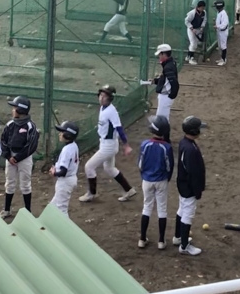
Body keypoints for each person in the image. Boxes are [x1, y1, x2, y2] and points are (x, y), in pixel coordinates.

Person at [79, 85, 136, 203]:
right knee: (109, 168)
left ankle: (91, 194)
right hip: (106, 143)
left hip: (108, 146)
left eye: (104, 96)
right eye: (100, 95)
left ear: (110, 98)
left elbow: (119, 128)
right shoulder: (103, 108)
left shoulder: (111, 111)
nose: (101, 98)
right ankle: (129, 190)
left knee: (89, 167)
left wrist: (126, 145)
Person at [0, 96, 40, 218]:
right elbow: (3, 141)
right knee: (9, 183)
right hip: (11, 157)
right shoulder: (10, 124)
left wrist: (17, 158)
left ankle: (28, 211)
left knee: (25, 184)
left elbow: (31, 146)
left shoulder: (30, 126)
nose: (12, 110)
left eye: (14, 108)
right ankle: (7, 209)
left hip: (24, 158)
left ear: (21, 110)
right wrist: (8, 156)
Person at [138, 115, 174, 249]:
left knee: (146, 207)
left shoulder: (145, 145)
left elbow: (140, 165)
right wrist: (166, 178)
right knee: (162, 209)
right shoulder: (167, 147)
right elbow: (169, 167)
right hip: (161, 180)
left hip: (147, 180)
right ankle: (161, 241)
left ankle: (142, 239)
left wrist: (144, 175)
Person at [174, 115, 206, 256]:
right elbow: (193, 172)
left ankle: (178, 237)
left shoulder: (184, 142)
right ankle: (184, 246)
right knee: (187, 213)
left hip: (183, 184)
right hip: (189, 187)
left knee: (182, 210)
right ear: (194, 131)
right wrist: (197, 190)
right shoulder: (191, 149)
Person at [49, 120, 80, 217]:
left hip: (65, 182)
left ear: (68, 135)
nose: (60, 134)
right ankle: (48, 223)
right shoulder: (73, 145)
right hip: (70, 179)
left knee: (62, 210)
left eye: (62, 132)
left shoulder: (67, 150)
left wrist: (54, 173)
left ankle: (66, 226)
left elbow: (63, 172)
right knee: (52, 207)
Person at [154, 43, 179, 120]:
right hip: (166, 95)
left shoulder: (168, 67)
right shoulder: (170, 63)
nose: (159, 56)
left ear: (164, 54)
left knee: (161, 119)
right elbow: (166, 79)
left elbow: (174, 83)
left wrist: (171, 95)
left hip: (166, 96)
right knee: (162, 117)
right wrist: (155, 81)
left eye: (160, 54)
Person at [184, 0, 207, 65]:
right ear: (198, 7)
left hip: (198, 29)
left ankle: (188, 56)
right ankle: (191, 58)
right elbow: (186, 21)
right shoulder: (192, 13)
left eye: (203, 7)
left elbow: (204, 20)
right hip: (191, 29)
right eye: (202, 7)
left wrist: (202, 27)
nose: (203, 9)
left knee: (195, 44)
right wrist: (191, 28)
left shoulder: (204, 12)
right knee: (193, 43)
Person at [213, 0, 229, 66]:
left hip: (223, 32)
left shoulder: (224, 14)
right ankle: (221, 58)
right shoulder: (219, 12)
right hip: (219, 31)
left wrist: (217, 26)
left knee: (223, 46)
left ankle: (224, 59)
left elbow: (225, 24)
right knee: (220, 46)